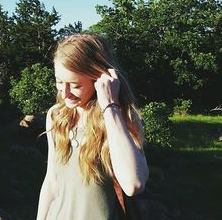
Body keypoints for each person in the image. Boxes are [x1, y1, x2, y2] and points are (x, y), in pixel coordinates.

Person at [36, 33, 149, 220]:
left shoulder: (120, 120)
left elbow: (133, 184)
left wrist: (110, 107)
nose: (65, 94)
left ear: (100, 79)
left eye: (75, 85)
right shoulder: (57, 116)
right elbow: (52, 181)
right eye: (59, 82)